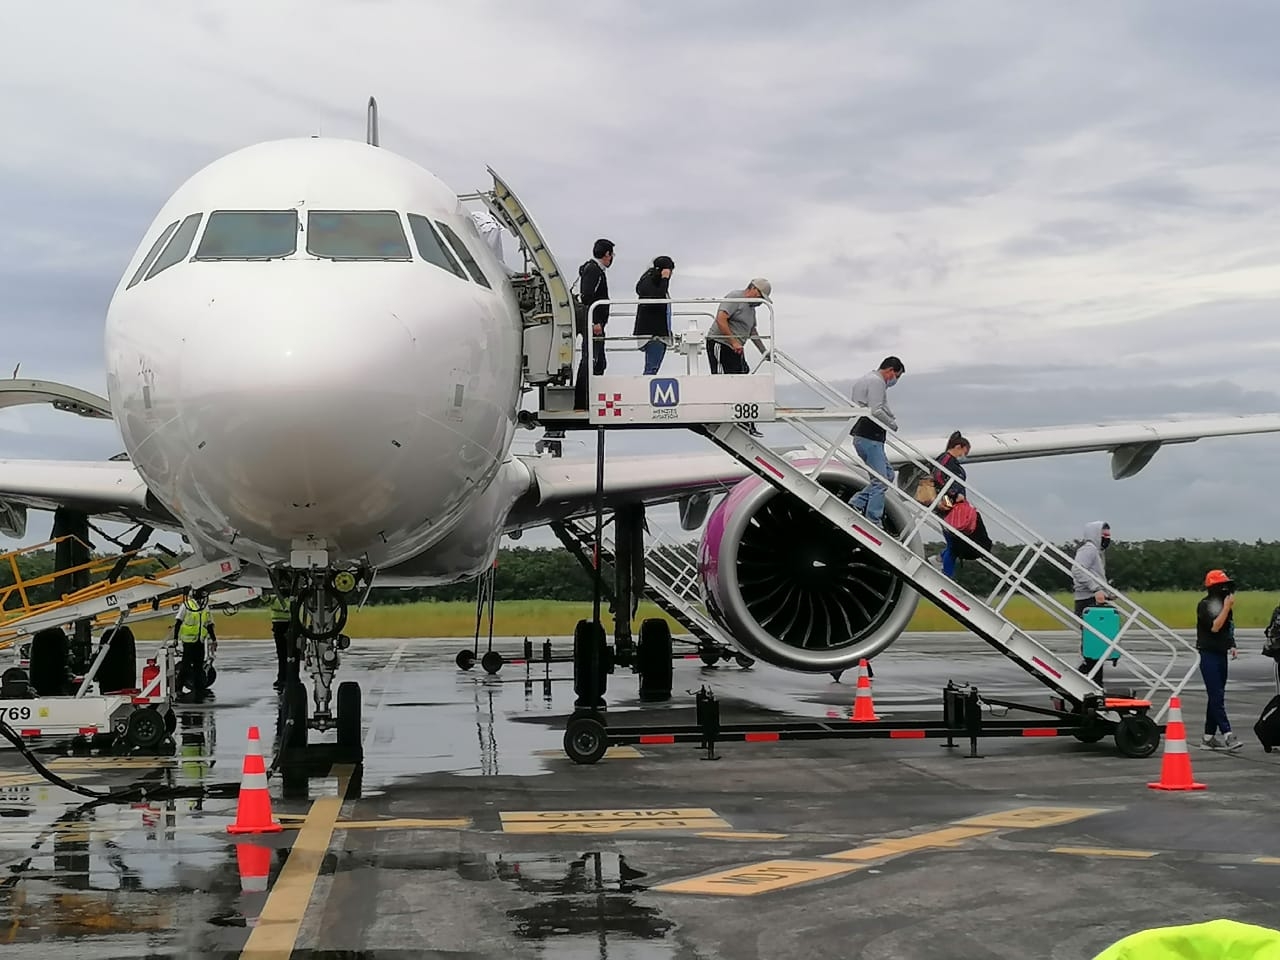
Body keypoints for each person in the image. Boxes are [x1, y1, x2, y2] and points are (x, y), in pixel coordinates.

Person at [706, 278, 772, 436]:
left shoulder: (751, 309)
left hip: (736, 348)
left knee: (744, 378)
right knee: (723, 379)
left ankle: (746, 421)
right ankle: (721, 415)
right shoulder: (735, 297)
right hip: (720, 343)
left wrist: (764, 351)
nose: (761, 302)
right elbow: (721, 319)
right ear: (753, 289)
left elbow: (752, 331)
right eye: (761, 297)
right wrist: (733, 341)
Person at [847, 357, 905, 529]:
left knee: (887, 475)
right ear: (891, 371)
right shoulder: (876, 382)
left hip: (865, 436)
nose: (895, 381)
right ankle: (873, 519)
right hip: (869, 436)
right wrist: (891, 423)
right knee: (881, 481)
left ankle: (858, 502)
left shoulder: (866, 379)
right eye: (897, 376)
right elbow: (876, 409)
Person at [1197, 569, 1243, 750]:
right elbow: (1215, 627)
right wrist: (1226, 607)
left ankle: (1208, 737)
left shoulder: (1225, 606)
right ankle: (1227, 734)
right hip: (1208, 654)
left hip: (1221, 653)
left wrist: (1232, 643)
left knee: (1216, 695)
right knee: (1216, 696)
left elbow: (1227, 627)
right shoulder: (1205, 605)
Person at [573, 238, 614, 409]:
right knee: (590, 359)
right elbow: (587, 296)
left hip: (595, 321)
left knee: (599, 362)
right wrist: (595, 321)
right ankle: (582, 401)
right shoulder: (594, 270)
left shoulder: (594, 269)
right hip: (593, 322)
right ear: (607, 255)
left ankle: (591, 397)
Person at [1071, 521, 1113, 676]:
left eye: (1108, 535)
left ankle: (1092, 676)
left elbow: (1093, 575)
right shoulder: (1088, 549)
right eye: (1104, 535)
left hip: (1092, 598)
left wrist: (1105, 591)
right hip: (1087, 600)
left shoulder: (1097, 552)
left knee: (1097, 644)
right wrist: (1096, 589)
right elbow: (1077, 569)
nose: (1107, 538)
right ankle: (1086, 674)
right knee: (1093, 644)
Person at [932, 431, 972, 576]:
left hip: (954, 505)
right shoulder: (945, 459)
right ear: (959, 446)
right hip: (947, 503)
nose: (963, 456)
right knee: (954, 543)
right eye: (964, 452)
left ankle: (940, 560)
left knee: (955, 542)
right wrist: (954, 493)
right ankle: (946, 572)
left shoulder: (952, 462)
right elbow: (937, 475)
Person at [634, 256, 675, 375]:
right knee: (652, 369)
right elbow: (658, 299)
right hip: (654, 334)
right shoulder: (652, 284)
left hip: (655, 333)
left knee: (652, 367)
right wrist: (665, 280)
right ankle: (644, 391)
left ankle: (643, 389)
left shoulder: (646, 282)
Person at [173, 589, 215, 703]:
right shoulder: (187, 606)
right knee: (185, 666)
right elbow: (178, 622)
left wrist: (214, 639)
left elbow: (209, 624)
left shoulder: (205, 608)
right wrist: (175, 638)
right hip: (188, 642)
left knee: (198, 667)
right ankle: (178, 689)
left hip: (199, 641)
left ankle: (198, 689)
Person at [267, 591, 294, 693]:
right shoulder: (277, 597)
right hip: (281, 627)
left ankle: (287, 678)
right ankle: (283, 678)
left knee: (288, 654)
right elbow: (265, 598)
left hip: (287, 626)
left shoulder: (280, 598)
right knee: (283, 654)